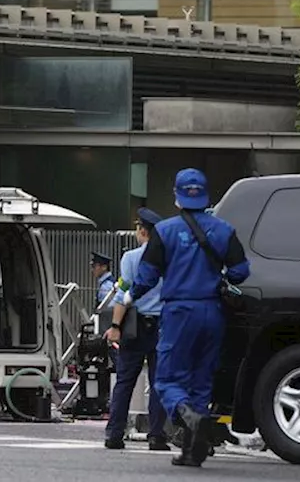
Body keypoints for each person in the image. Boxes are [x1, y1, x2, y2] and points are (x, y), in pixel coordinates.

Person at [126, 168, 251, 468]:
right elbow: (241, 271)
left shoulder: (165, 231)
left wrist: (130, 296)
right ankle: (192, 453)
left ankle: (190, 417)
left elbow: (146, 276)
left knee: (167, 380)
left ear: (177, 196)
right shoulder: (223, 230)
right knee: (200, 381)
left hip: (180, 312)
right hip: (213, 312)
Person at [104, 208, 168, 451]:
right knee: (159, 383)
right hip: (162, 326)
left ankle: (114, 434)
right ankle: (156, 435)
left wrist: (114, 327)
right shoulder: (168, 258)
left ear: (142, 231)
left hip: (133, 325)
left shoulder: (130, 258)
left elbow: (123, 296)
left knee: (125, 382)